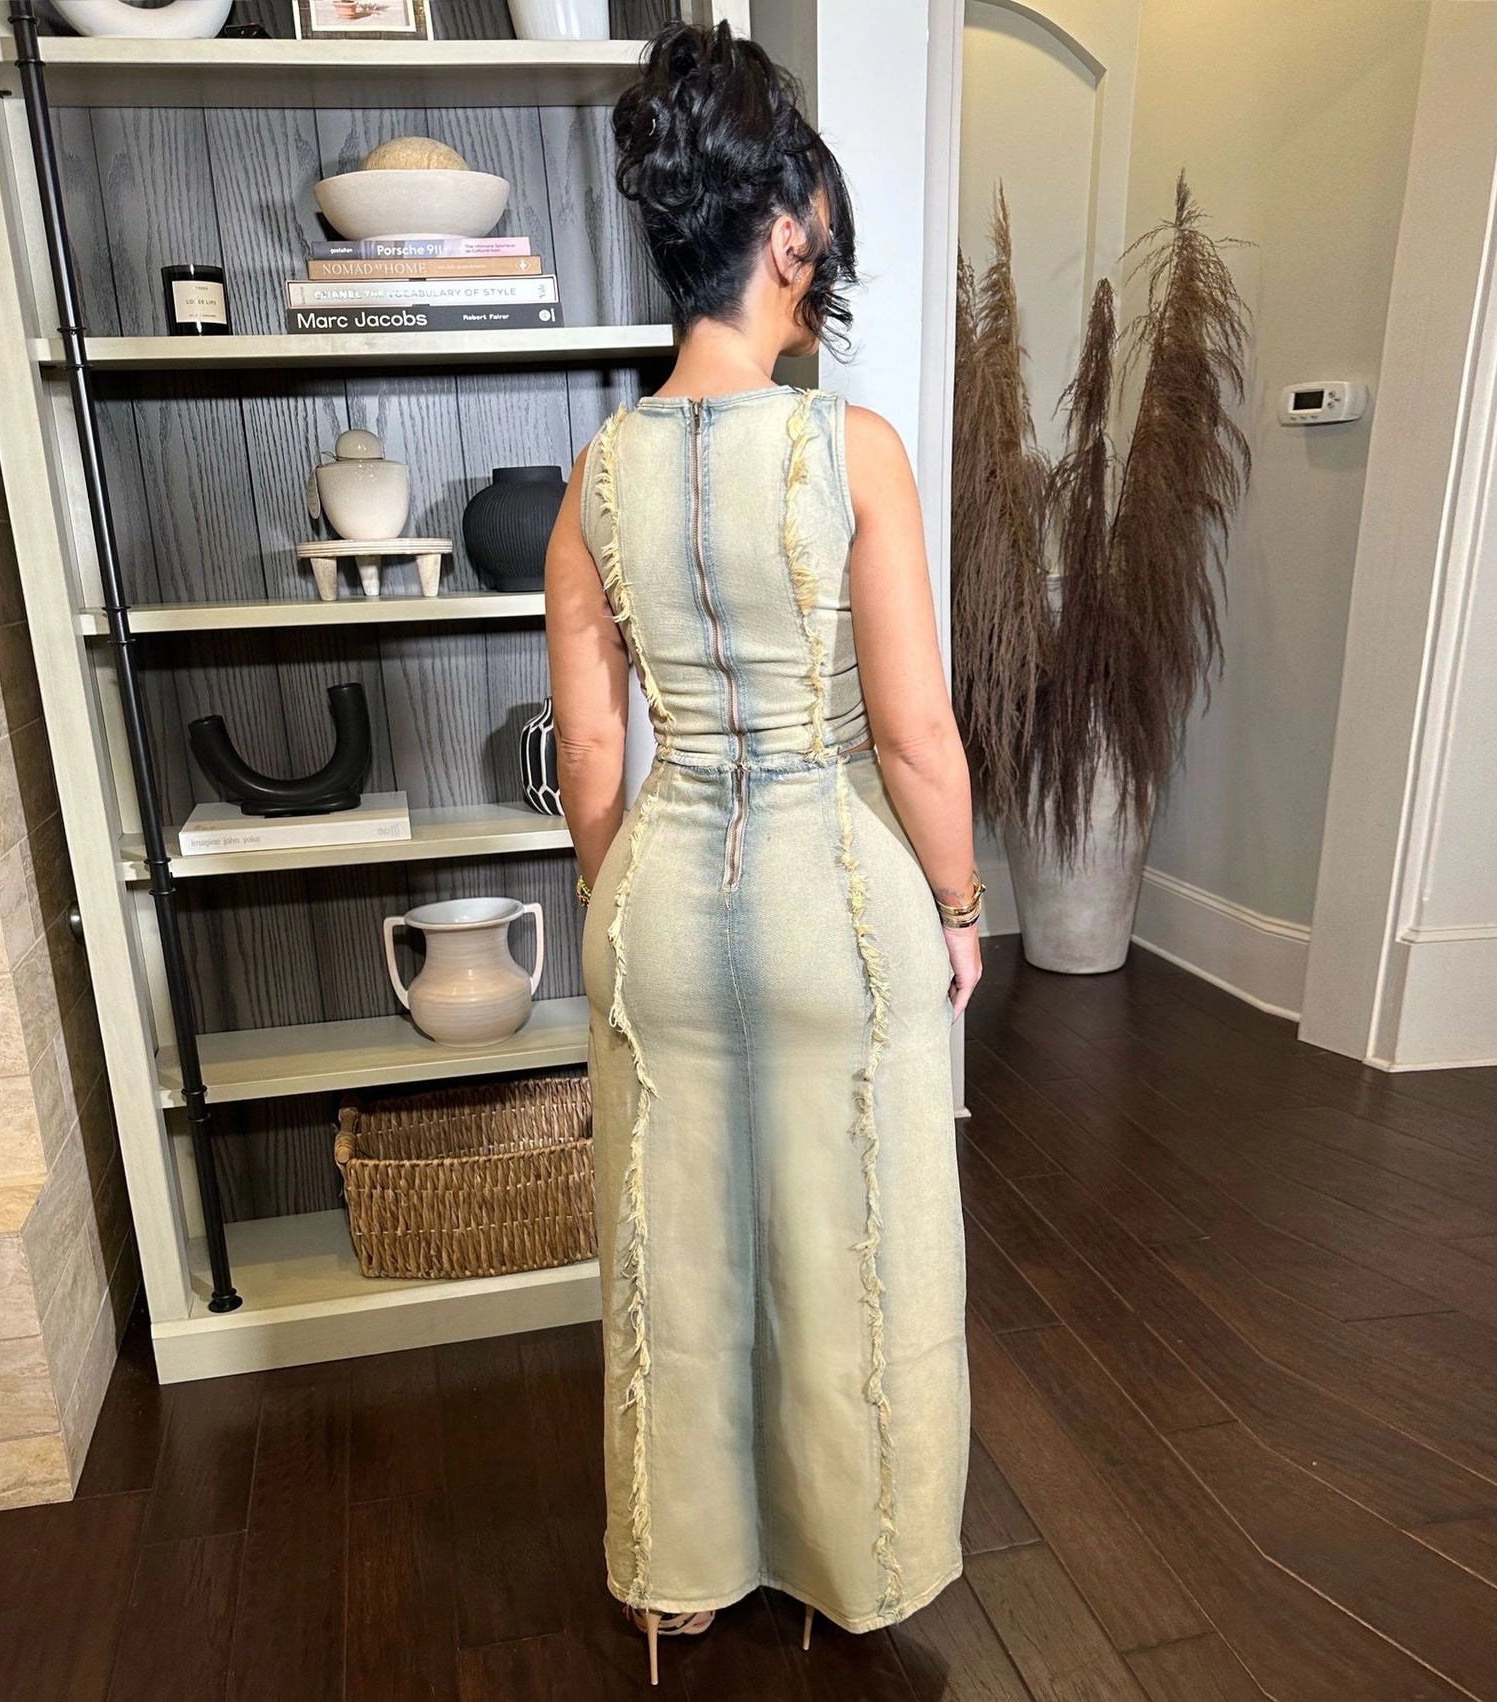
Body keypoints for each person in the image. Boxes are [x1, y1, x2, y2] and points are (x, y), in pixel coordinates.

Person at [543, 17, 981, 1684]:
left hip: (659, 900)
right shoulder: (848, 451)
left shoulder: (595, 477)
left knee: (674, 1247)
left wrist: (618, 904)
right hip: (834, 901)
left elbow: (593, 754)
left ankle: (676, 1580)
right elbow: (916, 735)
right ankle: (848, 1564)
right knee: (851, 1240)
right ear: (787, 232)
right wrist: (959, 906)